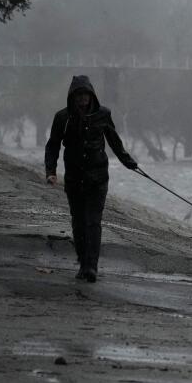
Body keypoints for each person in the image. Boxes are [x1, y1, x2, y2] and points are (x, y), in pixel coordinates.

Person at [44, 75, 138, 282]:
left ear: (92, 95)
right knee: (78, 223)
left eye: (85, 94)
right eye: (78, 95)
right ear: (72, 97)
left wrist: (128, 162)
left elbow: (114, 141)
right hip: (74, 179)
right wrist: (50, 171)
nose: (82, 99)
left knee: (93, 222)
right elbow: (52, 145)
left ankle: (92, 267)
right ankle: (83, 263)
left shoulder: (103, 114)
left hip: (98, 178)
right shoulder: (62, 118)